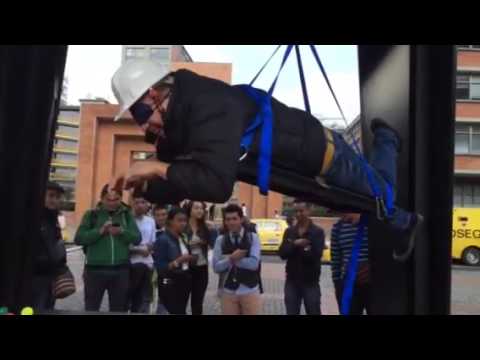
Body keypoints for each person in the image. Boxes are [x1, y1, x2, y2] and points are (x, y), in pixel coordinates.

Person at [109, 60, 422, 257]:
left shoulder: (209, 104)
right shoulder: (176, 129)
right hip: (295, 175)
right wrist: (143, 186)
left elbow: (216, 186)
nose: (141, 125)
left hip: (319, 154)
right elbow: (180, 184)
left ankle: (387, 140)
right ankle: (399, 210)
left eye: (138, 113)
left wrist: (157, 167)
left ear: (155, 95)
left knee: (381, 195)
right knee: (364, 202)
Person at [74, 185, 141, 312]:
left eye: (116, 199)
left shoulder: (127, 215)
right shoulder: (91, 215)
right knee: (91, 309)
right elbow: (79, 239)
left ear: (121, 198)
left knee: (118, 309)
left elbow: (137, 239)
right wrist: (100, 231)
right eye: (108, 199)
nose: (112, 203)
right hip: (94, 270)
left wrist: (122, 232)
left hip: (121, 271)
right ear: (102, 199)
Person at [212, 204, 262, 315]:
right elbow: (216, 267)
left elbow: (254, 264)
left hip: (249, 290)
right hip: (228, 291)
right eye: (228, 219)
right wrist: (231, 258)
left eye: (234, 219)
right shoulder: (220, 240)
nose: (231, 222)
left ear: (241, 219)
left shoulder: (252, 237)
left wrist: (230, 260)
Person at [278, 199, 325, 315]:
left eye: (301, 211)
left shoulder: (317, 232)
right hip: (292, 282)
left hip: (311, 282)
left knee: (313, 311)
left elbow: (316, 255)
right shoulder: (289, 232)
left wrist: (302, 249)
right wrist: (295, 244)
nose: (298, 214)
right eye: (296, 211)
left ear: (309, 210)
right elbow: (282, 253)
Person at [31, 181, 68, 312]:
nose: (55, 200)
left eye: (57, 197)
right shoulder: (34, 218)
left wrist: (62, 266)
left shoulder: (53, 218)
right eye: (51, 196)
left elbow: (56, 245)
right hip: (36, 277)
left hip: (51, 277)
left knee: (48, 309)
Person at [152, 207, 195, 315]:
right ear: (170, 221)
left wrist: (192, 258)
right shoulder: (163, 240)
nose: (183, 223)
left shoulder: (183, 237)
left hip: (184, 280)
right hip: (170, 282)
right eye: (179, 220)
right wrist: (178, 261)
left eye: (185, 220)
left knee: (181, 310)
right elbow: (161, 268)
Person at [331, 213, 371, 315]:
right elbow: (336, 261)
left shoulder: (372, 222)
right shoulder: (337, 228)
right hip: (349, 285)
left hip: (373, 284)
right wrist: (338, 288)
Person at [127, 194, 156, 313]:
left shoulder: (150, 220)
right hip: (132, 263)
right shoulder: (127, 220)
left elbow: (152, 240)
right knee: (129, 295)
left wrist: (148, 248)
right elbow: (124, 243)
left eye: (143, 202)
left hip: (147, 262)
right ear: (132, 204)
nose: (140, 205)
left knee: (142, 299)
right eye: (137, 202)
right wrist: (138, 250)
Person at [184, 201, 211, 315]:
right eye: (196, 208)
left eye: (201, 208)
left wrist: (203, 242)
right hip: (186, 268)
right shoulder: (183, 226)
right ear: (190, 210)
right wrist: (189, 244)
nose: (200, 210)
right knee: (181, 301)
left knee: (197, 303)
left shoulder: (206, 227)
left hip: (201, 268)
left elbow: (213, 245)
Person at [152, 204, 169, 315]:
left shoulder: (174, 231)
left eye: (163, 214)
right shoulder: (151, 230)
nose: (161, 217)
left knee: (165, 298)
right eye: (158, 215)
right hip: (152, 269)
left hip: (168, 270)